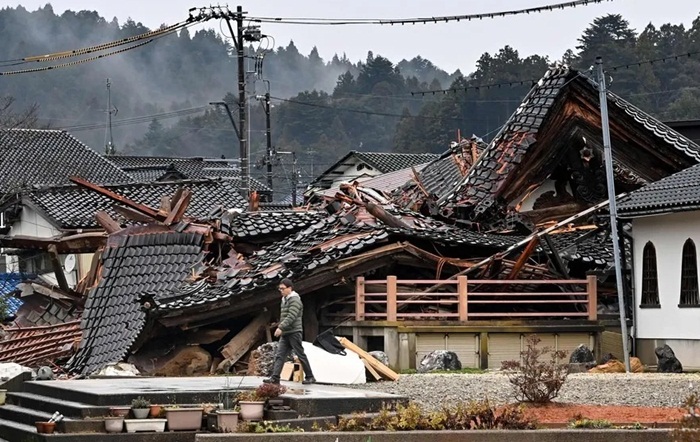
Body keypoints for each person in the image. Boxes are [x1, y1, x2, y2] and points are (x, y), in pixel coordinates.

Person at [263, 278, 316, 385]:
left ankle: (310, 376)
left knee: (300, 354)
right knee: (280, 355)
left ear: (290, 288)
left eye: (283, 289)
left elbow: (292, 316)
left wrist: (281, 327)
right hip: (286, 332)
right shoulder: (285, 300)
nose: (281, 291)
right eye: (280, 289)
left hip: (294, 332)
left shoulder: (295, 300)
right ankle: (275, 377)